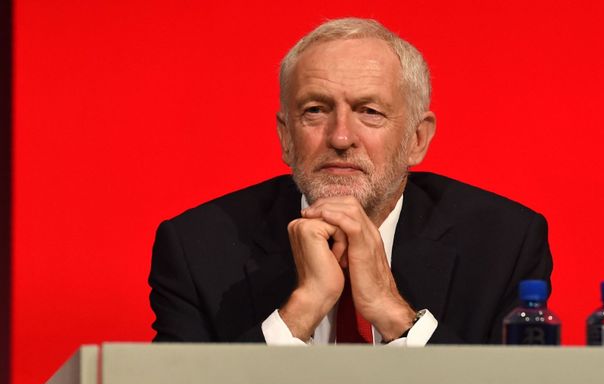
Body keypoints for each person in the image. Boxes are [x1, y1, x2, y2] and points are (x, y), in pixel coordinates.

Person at [148, 18, 552, 345]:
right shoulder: (196, 249)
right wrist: (300, 312)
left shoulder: (502, 243)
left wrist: (393, 313)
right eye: (316, 111)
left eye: (370, 111)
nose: (341, 137)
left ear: (416, 139)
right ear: (286, 137)